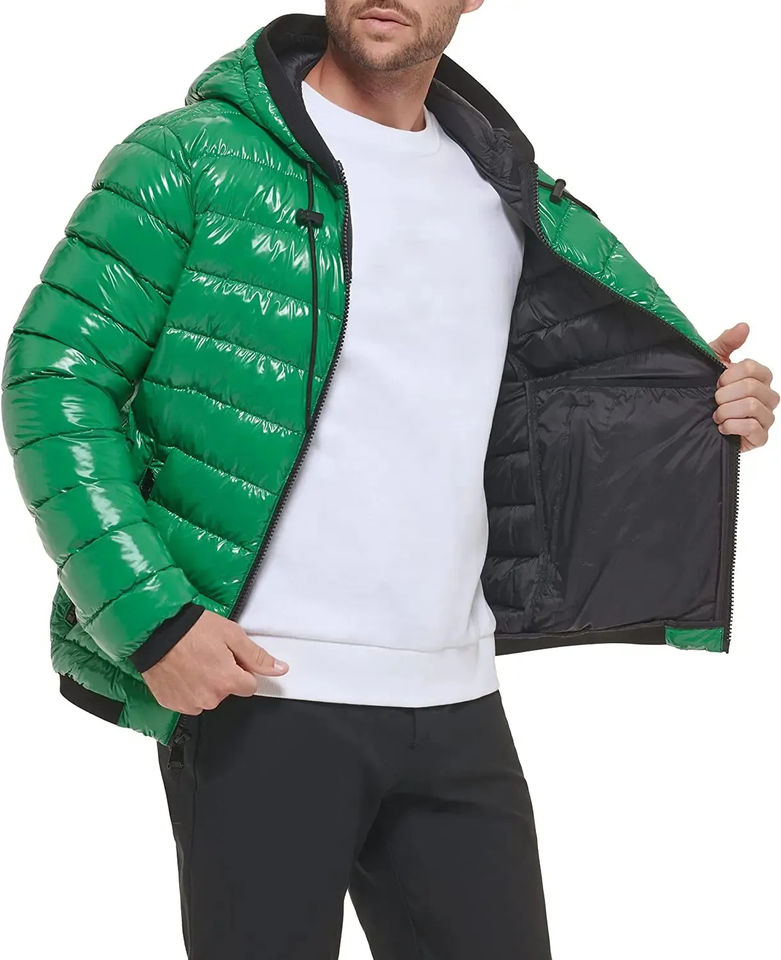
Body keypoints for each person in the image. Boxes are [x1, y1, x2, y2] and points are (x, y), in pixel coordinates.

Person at [2, 4, 777, 959]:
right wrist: (151, 619)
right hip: (262, 697)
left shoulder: (506, 192)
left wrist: (694, 411)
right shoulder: (189, 158)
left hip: (458, 701)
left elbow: (536, 411)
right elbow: (53, 381)